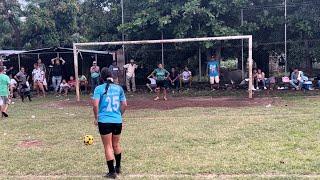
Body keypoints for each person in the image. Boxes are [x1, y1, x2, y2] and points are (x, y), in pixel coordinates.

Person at [92, 67, 127, 179]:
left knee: (108, 146)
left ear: (101, 77)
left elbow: (95, 105)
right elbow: (125, 105)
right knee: (116, 144)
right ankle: (118, 167)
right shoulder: (119, 88)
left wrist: (96, 118)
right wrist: (118, 115)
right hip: (117, 121)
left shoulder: (98, 88)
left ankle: (112, 172)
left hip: (104, 121)